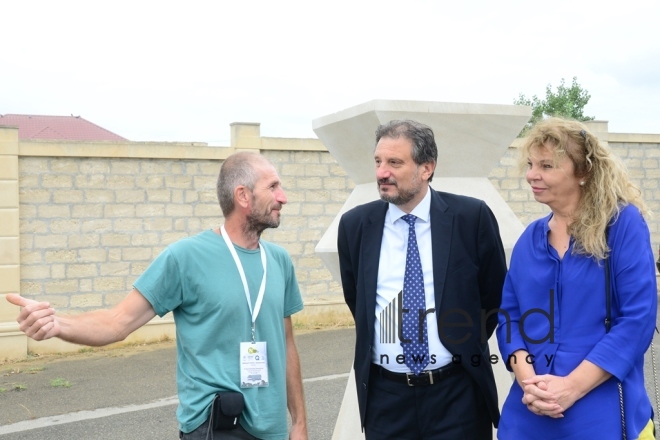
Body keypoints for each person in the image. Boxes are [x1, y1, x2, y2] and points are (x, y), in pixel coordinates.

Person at [6, 152, 308, 440]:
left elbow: (287, 344)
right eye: (273, 187)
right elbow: (117, 322)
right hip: (216, 427)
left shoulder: (279, 261)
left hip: (272, 429)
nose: (283, 197)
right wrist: (57, 324)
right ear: (243, 196)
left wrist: (299, 424)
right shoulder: (186, 257)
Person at [337, 119, 507, 439]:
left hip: (458, 397)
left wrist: (457, 342)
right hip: (386, 402)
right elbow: (356, 297)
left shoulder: (471, 218)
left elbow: (493, 297)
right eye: (378, 161)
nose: (381, 172)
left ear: (426, 168)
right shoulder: (355, 226)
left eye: (394, 163)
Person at [496, 117, 657, 439]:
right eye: (530, 164)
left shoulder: (622, 225)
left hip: (602, 409)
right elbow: (509, 318)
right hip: (528, 411)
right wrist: (530, 384)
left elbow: (637, 320)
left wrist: (571, 387)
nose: (531, 175)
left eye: (547, 165)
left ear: (583, 172)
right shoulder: (529, 238)